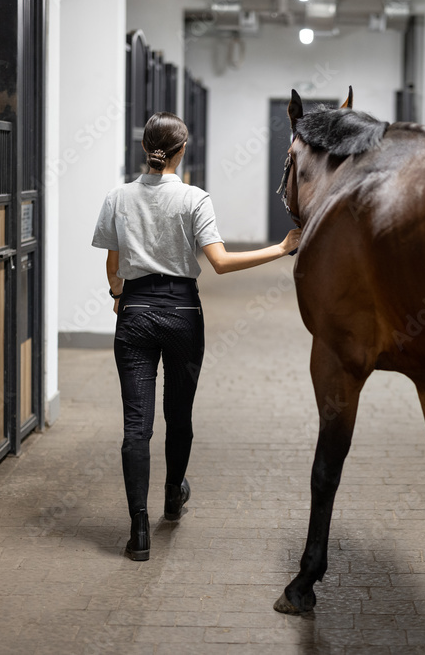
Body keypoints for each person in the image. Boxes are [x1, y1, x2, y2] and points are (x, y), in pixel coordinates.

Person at [92, 112, 301, 561]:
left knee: (136, 426)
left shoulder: (118, 197)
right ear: (183, 150)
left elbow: (113, 264)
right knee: (179, 414)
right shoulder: (194, 198)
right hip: (183, 312)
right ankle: (172, 494)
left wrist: (117, 296)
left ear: (145, 148)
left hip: (135, 313)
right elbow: (221, 263)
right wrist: (282, 248)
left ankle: (138, 530)